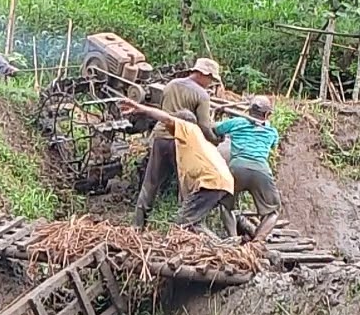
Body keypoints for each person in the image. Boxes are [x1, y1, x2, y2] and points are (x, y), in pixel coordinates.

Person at [119, 99, 236, 237]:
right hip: (221, 182)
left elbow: (167, 118)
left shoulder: (188, 129)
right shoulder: (193, 141)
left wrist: (141, 108)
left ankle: (220, 245)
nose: (168, 127)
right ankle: (226, 242)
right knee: (192, 223)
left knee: (182, 224)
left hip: (211, 183)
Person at [132, 58, 223, 229]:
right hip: (182, 141)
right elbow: (204, 125)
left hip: (160, 137)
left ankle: (138, 225)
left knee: (150, 182)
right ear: (203, 74)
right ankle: (185, 227)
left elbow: (164, 112)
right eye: (210, 79)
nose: (210, 83)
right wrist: (215, 140)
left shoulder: (171, 85)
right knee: (185, 185)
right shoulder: (202, 95)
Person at [214, 96, 281, 242]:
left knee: (225, 205)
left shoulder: (236, 122)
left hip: (236, 168)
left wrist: (218, 115)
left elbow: (215, 129)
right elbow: (273, 145)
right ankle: (257, 243)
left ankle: (233, 239)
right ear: (266, 114)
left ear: (249, 110)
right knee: (273, 211)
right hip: (261, 171)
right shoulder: (271, 131)